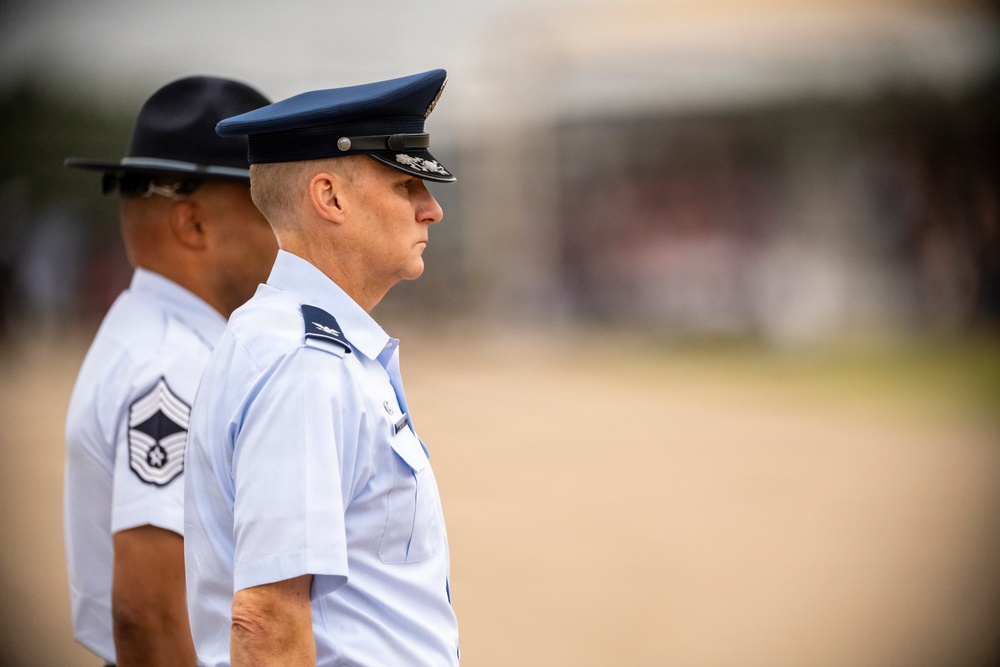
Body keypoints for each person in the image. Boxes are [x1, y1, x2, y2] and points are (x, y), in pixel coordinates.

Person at [183, 69, 459, 667]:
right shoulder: (304, 365)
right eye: (406, 185)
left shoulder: (301, 344)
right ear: (329, 197)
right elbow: (266, 620)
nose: (431, 209)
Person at [63, 76, 277, 666]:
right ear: (193, 226)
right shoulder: (174, 368)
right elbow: (150, 616)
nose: (289, 236)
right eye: (267, 207)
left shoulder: (156, 337)